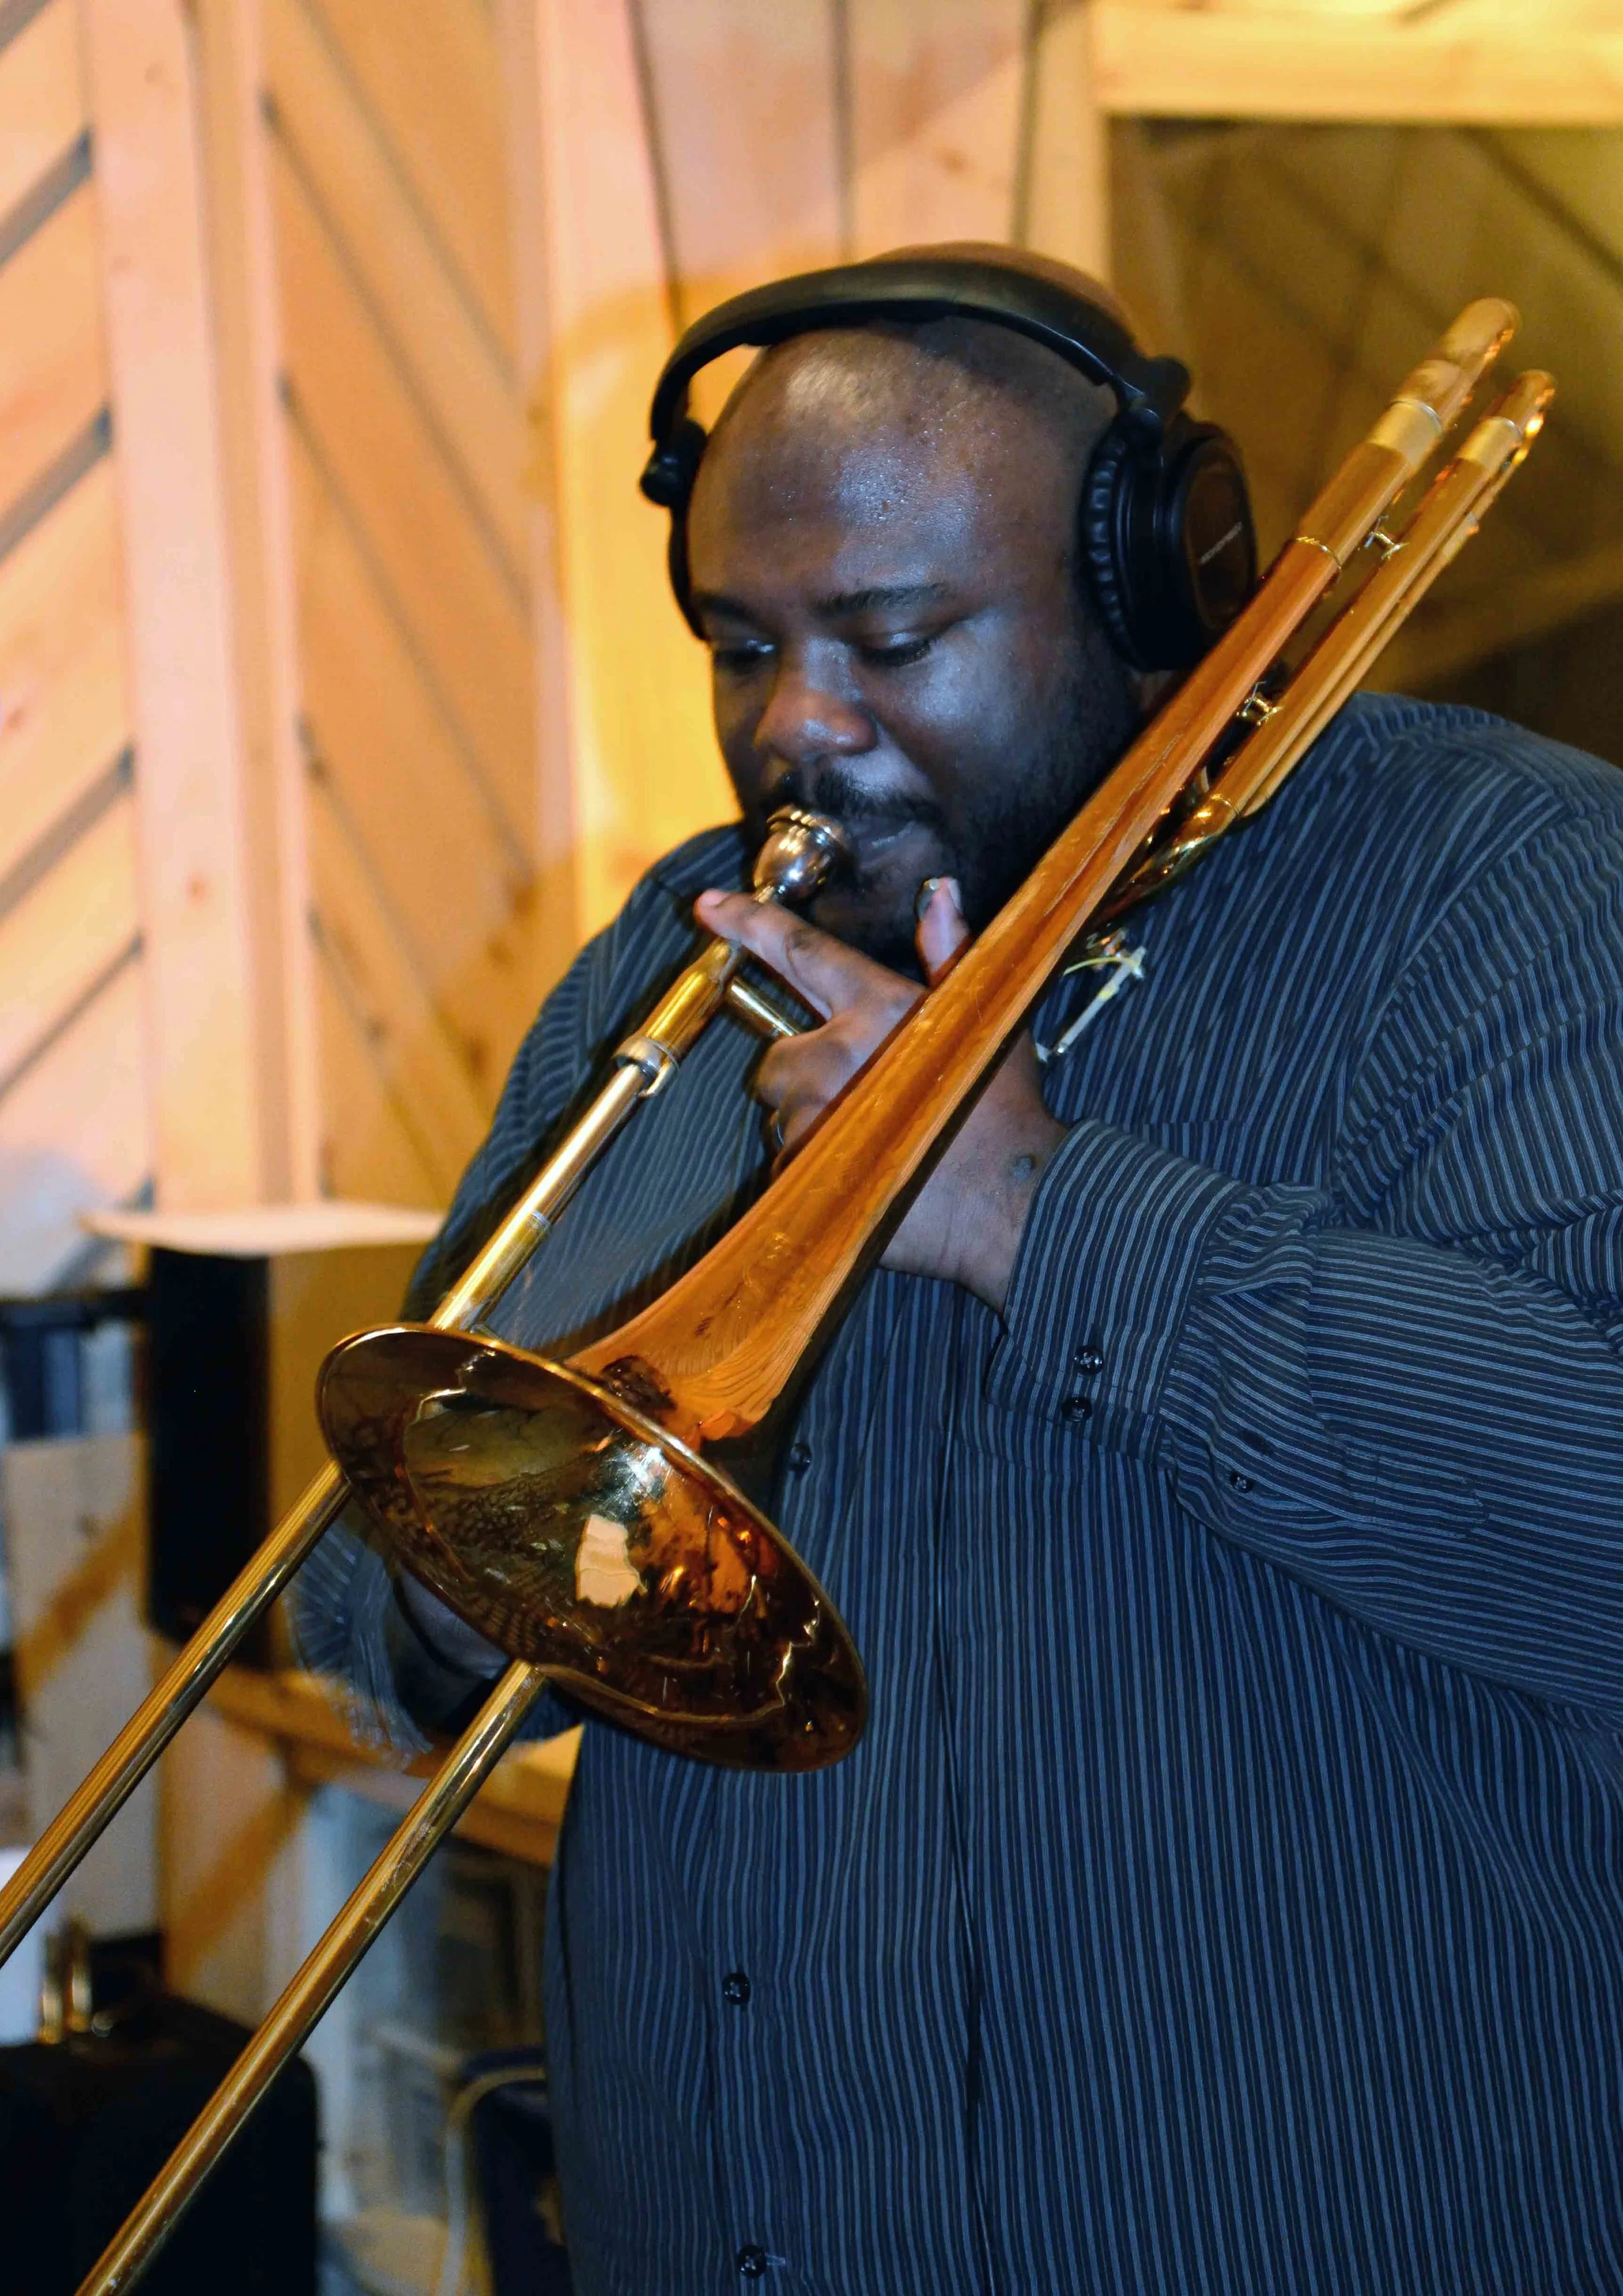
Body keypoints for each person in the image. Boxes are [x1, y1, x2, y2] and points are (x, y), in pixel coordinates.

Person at [300, 244, 1623, 2293]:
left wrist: (1036, 1213)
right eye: (740, 646)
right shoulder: (667, 964)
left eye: (889, 637)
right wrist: (464, 1550)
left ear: (1139, 593)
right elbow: (366, 1621)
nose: (795, 729)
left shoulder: (1509, 894)